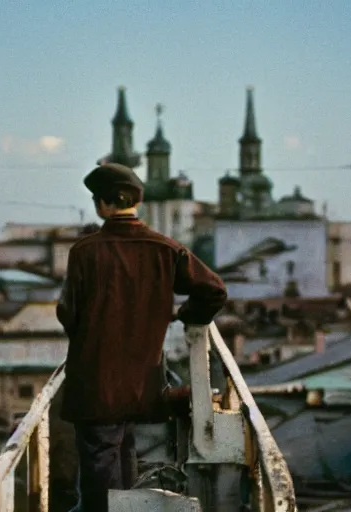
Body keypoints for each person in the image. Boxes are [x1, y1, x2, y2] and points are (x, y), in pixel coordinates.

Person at [56, 162, 227, 511]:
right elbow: (214, 291)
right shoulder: (165, 249)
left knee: (100, 466)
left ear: (104, 204)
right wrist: (185, 316)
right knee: (123, 448)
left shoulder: (85, 252)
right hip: (142, 378)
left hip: (95, 379)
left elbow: (68, 314)